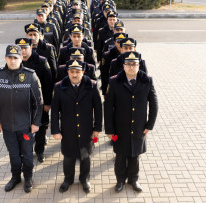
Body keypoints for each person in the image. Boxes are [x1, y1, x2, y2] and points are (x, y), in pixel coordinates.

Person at [0, 44, 43, 193]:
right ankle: (16, 177)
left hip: (25, 126)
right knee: (14, 156)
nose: (12, 61)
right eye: (10, 57)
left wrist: (36, 123)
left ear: (21, 59)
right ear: (5, 58)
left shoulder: (30, 76)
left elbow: (38, 103)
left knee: (27, 156)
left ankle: (28, 178)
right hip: (7, 126)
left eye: (15, 58)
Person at [104, 51, 158, 193]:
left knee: (135, 155)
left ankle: (133, 179)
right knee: (120, 156)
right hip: (120, 127)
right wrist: (109, 129)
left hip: (139, 126)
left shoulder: (147, 80)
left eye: (134, 64)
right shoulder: (114, 81)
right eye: (128, 64)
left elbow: (154, 104)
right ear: (124, 66)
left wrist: (149, 125)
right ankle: (120, 180)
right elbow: (108, 107)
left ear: (139, 65)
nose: (131, 67)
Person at [51, 59, 102, 193]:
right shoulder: (59, 87)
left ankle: (84, 179)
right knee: (68, 157)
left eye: (77, 72)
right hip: (68, 130)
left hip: (86, 130)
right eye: (72, 72)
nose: (74, 75)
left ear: (83, 72)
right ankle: (68, 179)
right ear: (67, 72)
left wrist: (97, 128)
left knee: (85, 157)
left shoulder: (91, 86)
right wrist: (55, 130)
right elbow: (55, 110)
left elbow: (98, 108)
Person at [15, 38, 53, 163]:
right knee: (24, 129)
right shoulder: (15, 62)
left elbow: (48, 83)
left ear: (31, 47)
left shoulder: (41, 61)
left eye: (25, 48)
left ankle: (40, 151)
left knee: (41, 129)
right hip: (22, 104)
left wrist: (47, 103)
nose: (23, 51)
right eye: (20, 49)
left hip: (39, 103)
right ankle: (27, 151)